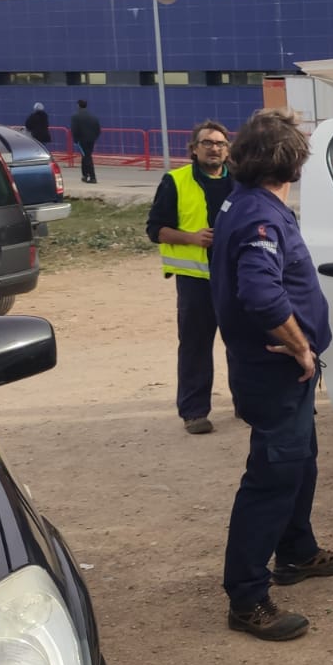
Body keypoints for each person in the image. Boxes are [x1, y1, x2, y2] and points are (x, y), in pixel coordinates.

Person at [211, 108, 333, 641]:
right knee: (273, 476)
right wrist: (300, 349)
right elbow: (260, 292)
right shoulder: (260, 218)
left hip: (273, 374)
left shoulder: (246, 203)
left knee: (300, 463)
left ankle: (297, 552)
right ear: (293, 163)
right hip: (275, 372)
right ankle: (247, 597)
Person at [146, 121, 235, 434]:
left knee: (241, 342)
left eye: (220, 143)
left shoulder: (240, 181)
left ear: (227, 149)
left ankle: (248, 404)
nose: (214, 148)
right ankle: (195, 412)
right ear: (194, 149)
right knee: (196, 346)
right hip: (195, 281)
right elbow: (155, 230)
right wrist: (192, 238)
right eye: (208, 143)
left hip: (236, 277)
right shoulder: (175, 181)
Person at [70, 99, 101, 183]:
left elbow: (74, 129)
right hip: (91, 140)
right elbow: (98, 129)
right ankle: (85, 175)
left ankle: (92, 177)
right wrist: (94, 137)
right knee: (86, 156)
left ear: (78, 105)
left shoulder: (75, 116)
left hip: (82, 140)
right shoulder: (92, 116)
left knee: (87, 157)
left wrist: (76, 140)